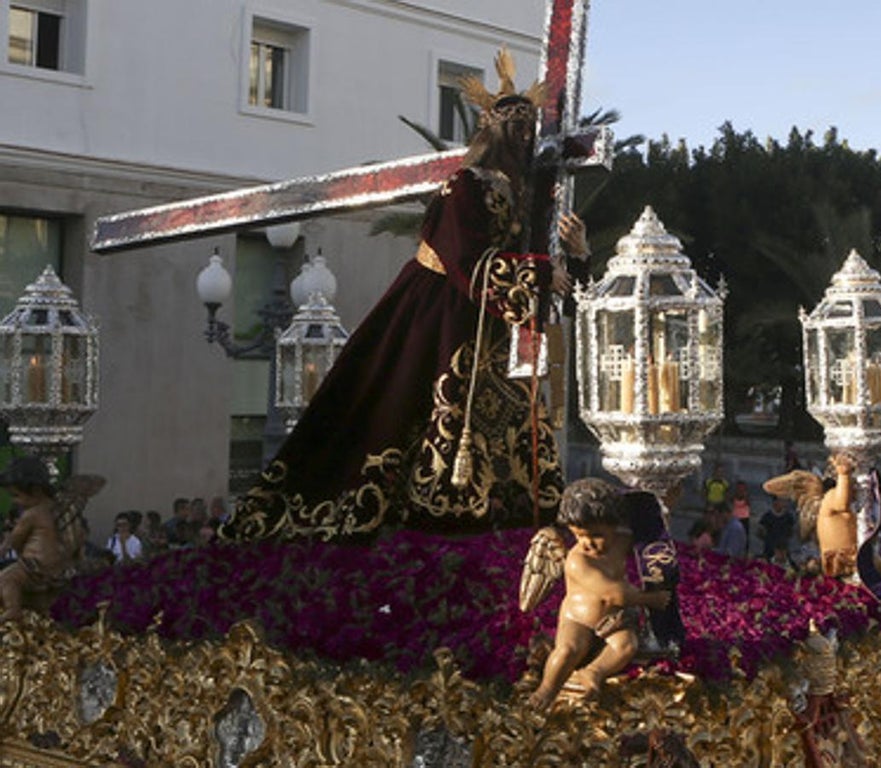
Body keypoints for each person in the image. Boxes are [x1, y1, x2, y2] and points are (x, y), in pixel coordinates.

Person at [220, 49, 583, 541]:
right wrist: (537, 275)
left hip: (493, 318)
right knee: (406, 407)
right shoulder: (466, 185)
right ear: (492, 134)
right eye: (514, 132)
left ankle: (518, 519)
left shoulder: (525, 196)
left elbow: (541, 264)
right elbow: (465, 256)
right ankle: (425, 518)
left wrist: (572, 259)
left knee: (513, 420)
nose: (523, 142)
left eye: (528, 133)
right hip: (442, 310)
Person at [526, 478, 671, 708]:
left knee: (626, 645)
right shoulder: (578, 561)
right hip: (579, 619)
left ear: (613, 526)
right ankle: (546, 689)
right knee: (568, 650)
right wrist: (651, 599)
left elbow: (652, 534)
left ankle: (594, 671)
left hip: (613, 618)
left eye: (595, 535)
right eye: (579, 535)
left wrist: (657, 507)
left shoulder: (621, 540)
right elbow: (615, 594)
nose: (587, 543)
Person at [0, 457, 64, 622]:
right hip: (57, 567)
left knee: (6, 578)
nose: (14, 501)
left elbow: (16, 539)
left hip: (35, 565)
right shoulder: (56, 509)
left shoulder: (32, 514)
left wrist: (8, 545)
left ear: (35, 491)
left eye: (16, 495)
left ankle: (12, 609)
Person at [758, 494, 795, 563]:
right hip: (769, 550)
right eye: (781, 500)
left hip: (783, 552)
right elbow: (760, 533)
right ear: (775, 501)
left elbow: (791, 533)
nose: (783, 502)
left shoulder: (789, 517)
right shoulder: (767, 517)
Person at [729, 481, 752, 550]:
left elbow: (749, 504)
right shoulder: (733, 496)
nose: (740, 489)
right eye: (739, 488)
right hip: (735, 518)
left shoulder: (746, 496)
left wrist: (744, 496)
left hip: (744, 518)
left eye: (742, 488)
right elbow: (730, 501)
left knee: (744, 537)